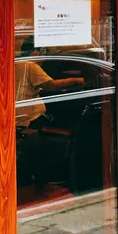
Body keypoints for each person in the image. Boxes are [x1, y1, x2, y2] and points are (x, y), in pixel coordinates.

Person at [15, 38, 84, 192]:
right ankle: (53, 177)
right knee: (66, 139)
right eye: (44, 52)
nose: (45, 58)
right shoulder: (30, 65)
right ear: (35, 51)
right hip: (30, 120)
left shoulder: (16, 63)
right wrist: (78, 80)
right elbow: (52, 85)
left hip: (20, 118)